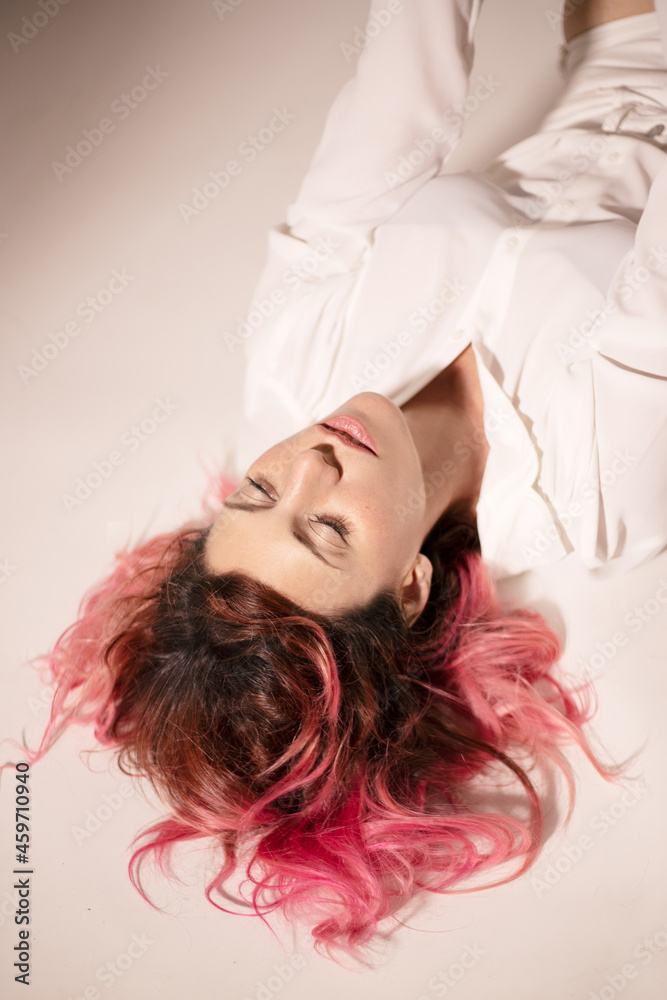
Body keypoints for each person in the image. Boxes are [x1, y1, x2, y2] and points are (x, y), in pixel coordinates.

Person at [28, 0, 665, 963]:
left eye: (256, 494)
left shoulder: (292, 362)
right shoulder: (592, 495)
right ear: (407, 589)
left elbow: (398, 89)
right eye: (326, 531)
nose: (308, 463)